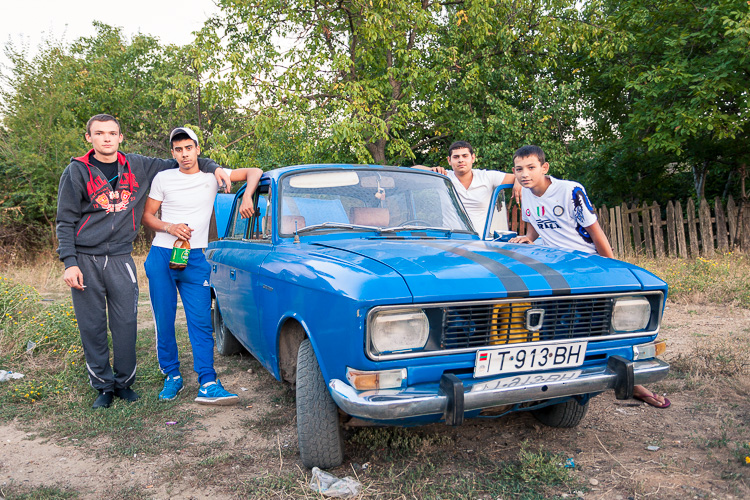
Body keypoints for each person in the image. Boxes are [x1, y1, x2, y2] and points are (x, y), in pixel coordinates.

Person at [56, 114, 231, 409]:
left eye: (112, 133)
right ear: (89, 138)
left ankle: (124, 383)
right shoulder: (77, 171)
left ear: (120, 137)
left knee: (126, 323)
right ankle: (103, 386)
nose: (107, 138)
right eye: (99, 133)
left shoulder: (138, 165)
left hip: (121, 256)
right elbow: (65, 220)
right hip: (85, 257)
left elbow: (185, 161)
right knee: (93, 325)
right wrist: (69, 261)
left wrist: (213, 168)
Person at [508, 144, 670, 409]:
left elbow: (594, 231)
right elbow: (536, 225)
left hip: (583, 266)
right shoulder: (527, 194)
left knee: (601, 324)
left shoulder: (570, 190)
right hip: (550, 268)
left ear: (544, 167)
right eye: (518, 169)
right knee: (551, 325)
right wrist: (528, 237)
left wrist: (611, 267)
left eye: (530, 167)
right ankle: (551, 381)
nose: (524, 174)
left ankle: (632, 381)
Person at [141, 127, 262, 405]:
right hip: (163, 254)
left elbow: (255, 171)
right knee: (164, 319)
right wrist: (169, 226)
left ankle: (207, 381)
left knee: (200, 321)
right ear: (173, 153)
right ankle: (172, 375)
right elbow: (148, 216)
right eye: (178, 150)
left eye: (188, 148)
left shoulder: (212, 176)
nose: (184, 154)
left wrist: (246, 197)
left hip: (195, 258)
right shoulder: (163, 178)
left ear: (197, 148)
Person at [415, 140, 520, 233]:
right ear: (449, 160)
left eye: (465, 156)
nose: (461, 160)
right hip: (450, 240)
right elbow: (413, 170)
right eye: (456, 157)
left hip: (480, 241)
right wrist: (431, 170)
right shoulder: (443, 177)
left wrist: (518, 182)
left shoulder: (487, 177)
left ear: (473, 158)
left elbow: (520, 177)